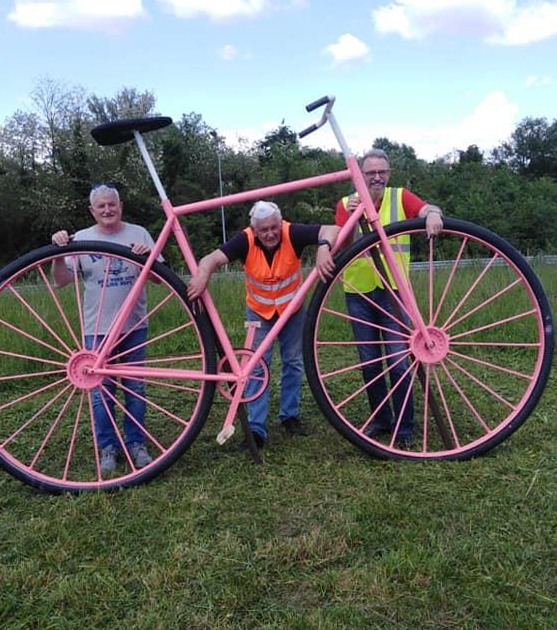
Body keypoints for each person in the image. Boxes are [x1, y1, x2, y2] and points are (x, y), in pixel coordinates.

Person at [186, 200, 339, 448]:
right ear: (254, 229)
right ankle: (257, 428)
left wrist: (324, 247)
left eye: (274, 227)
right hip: (259, 313)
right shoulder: (244, 240)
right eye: (264, 229)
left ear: (280, 223)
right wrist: (203, 274)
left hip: (292, 311)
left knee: (293, 362)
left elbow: (332, 229)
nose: (270, 233)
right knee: (256, 367)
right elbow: (211, 259)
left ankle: (290, 416)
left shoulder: (292, 232)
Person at [334, 148, 443, 443]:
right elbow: (341, 247)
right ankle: (381, 420)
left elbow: (427, 209)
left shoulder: (400, 197)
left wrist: (433, 214)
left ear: (389, 173)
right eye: (370, 173)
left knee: (398, 359)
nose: (377, 177)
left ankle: (404, 427)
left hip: (394, 291)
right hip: (359, 293)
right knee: (369, 362)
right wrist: (354, 218)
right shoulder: (346, 204)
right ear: (361, 176)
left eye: (382, 172)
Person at [50, 183, 159, 473]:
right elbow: (60, 282)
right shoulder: (82, 239)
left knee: (135, 388)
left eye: (112, 204)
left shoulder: (139, 234)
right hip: (97, 330)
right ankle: (108, 447)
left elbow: (162, 278)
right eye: (102, 206)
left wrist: (146, 257)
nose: (108, 210)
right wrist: (58, 251)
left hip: (134, 326)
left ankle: (136, 444)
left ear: (120, 206)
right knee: (101, 392)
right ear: (92, 210)